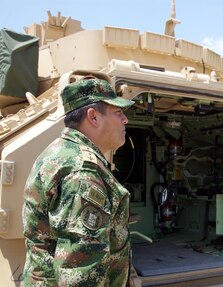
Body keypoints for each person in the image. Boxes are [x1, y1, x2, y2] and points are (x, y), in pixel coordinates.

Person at [22, 78, 134, 286]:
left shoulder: (61, 152)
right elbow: (80, 269)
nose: (125, 120)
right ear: (93, 117)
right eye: (118, 113)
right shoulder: (81, 170)